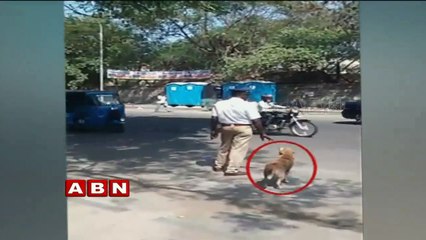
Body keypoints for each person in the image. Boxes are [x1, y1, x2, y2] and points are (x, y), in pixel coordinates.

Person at [210, 87, 273, 176]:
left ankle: (219, 165)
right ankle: (232, 170)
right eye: (247, 94)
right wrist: (262, 133)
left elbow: (214, 118)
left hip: (226, 127)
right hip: (243, 128)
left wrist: (213, 130)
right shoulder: (248, 105)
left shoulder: (220, 104)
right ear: (243, 94)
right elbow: (256, 120)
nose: (247, 96)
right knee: (238, 149)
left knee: (224, 146)